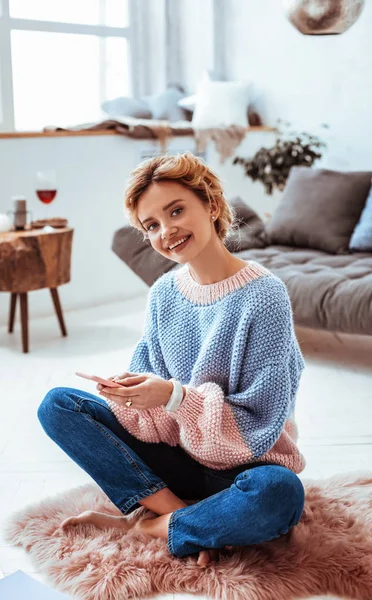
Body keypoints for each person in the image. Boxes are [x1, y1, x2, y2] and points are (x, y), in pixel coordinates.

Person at [38, 153, 306, 567]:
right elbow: (155, 415)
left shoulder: (264, 296)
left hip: (246, 467)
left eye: (176, 210)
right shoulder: (164, 293)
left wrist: (175, 396)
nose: (167, 231)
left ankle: (144, 526)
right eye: (152, 226)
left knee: (281, 494)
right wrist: (132, 395)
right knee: (57, 405)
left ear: (212, 205)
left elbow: (260, 422)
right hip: (179, 456)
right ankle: (185, 516)